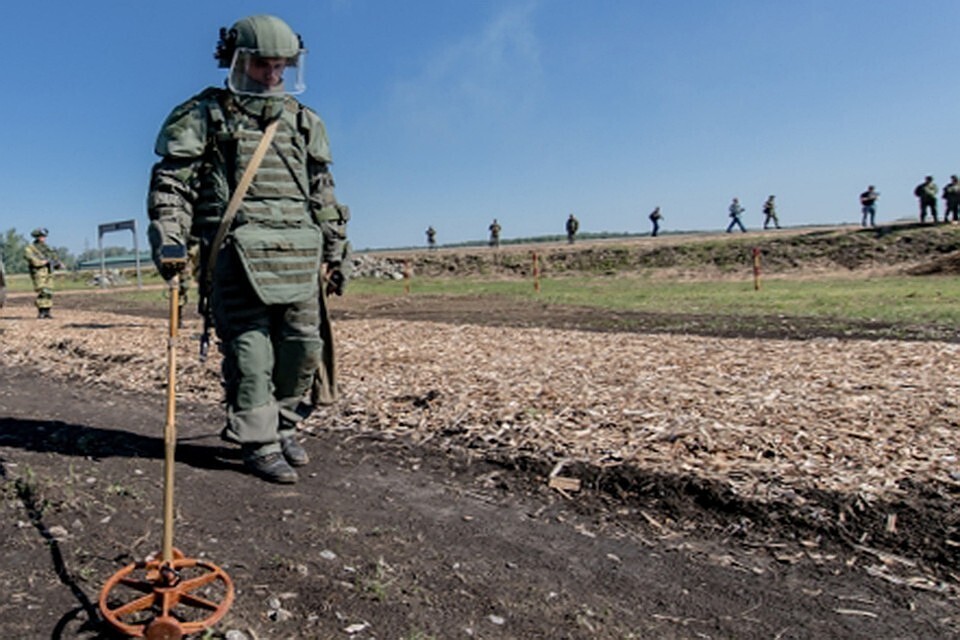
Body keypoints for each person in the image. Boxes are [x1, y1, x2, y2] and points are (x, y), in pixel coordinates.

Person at [147, 14, 351, 484]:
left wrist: (336, 249)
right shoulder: (202, 115)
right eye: (263, 64)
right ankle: (258, 442)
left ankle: (283, 425)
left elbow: (322, 192)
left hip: (299, 254)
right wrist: (171, 240)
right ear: (237, 61)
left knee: (303, 348)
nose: (273, 74)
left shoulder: (303, 120)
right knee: (250, 352)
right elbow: (172, 186)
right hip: (234, 254)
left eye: (282, 66)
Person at [23, 228, 62, 319]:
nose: (43, 238)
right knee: (42, 291)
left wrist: (57, 263)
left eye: (44, 236)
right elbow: (31, 259)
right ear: (36, 237)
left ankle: (47, 311)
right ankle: (41, 311)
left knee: (49, 291)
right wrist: (43, 262)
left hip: (49, 272)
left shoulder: (47, 248)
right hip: (38, 272)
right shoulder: (30, 248)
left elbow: (54, 257)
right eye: (41, 236)